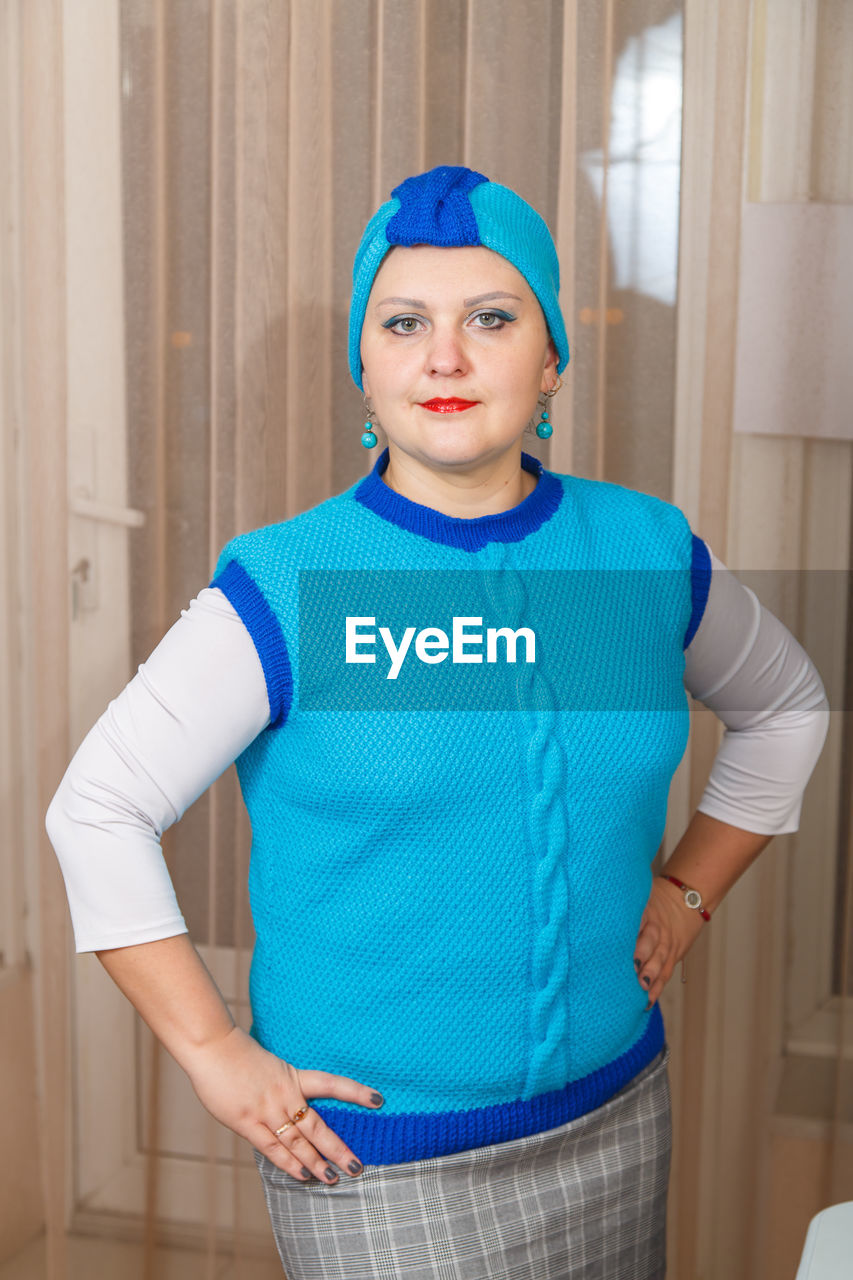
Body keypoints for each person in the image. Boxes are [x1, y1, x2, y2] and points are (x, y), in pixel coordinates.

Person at [46, 165, 828, 1279]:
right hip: (378, 1160)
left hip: (613, 1113)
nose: (444, 357)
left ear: (551, 356)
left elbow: (788, 704)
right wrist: (213, 1048)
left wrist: (686, 889)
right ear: (364, 366)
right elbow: (98, 806)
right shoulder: (289, 583)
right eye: (404, 321)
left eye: (492, 319)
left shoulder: (644, 552)